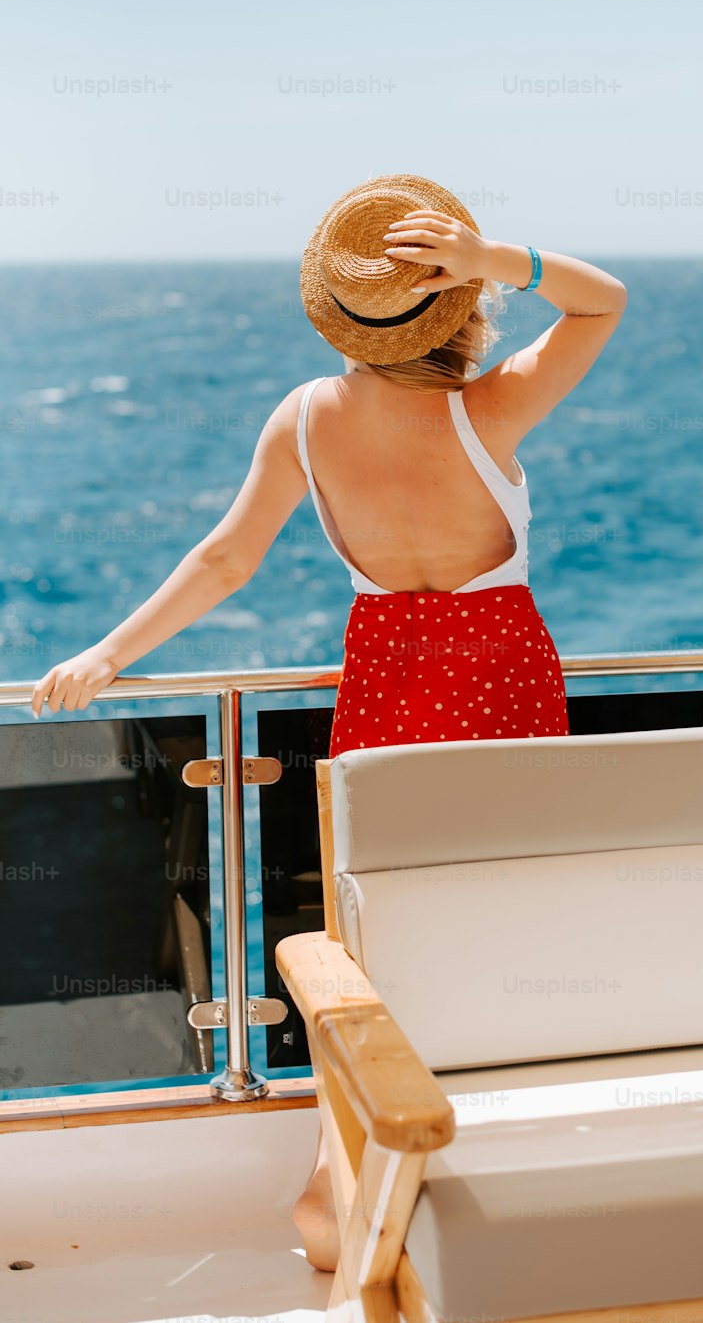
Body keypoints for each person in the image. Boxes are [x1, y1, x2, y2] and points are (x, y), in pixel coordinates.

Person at [29, 172, 628, 1268]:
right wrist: (504, 263)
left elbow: (225, 558)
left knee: (380, 929)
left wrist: (109, 650)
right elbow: (603, 302)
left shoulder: (306, 418)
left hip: (385, 683)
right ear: (453, 302)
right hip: (500, 680)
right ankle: (478, 1162)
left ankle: (339, 1170)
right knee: (500, 919)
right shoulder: (488, 406)